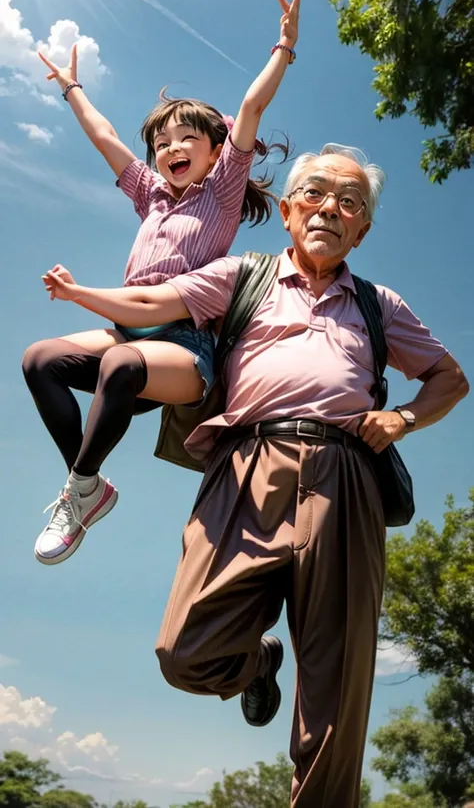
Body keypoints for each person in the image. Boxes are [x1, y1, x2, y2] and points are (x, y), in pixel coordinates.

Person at [40, 143, 469, 807]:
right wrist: (79, 294)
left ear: (364, 228)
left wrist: (405, 418)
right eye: (316, 193)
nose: (331, 207)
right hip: (244, 467)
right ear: (292, 208)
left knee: (336, 685)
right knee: (184, 650)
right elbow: (158, 298)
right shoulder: (244, 276)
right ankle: (258, 661)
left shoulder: (380, 305)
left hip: (346, 477)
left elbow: (450, 378)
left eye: (349, 201)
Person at [22, 0, 304, 566]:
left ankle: (75, 496)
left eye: (186, 139)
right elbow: (104, 138)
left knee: (124, 363)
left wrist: (283, 49)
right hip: (129, 332)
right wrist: (72, 88)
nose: (170, 147)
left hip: (183, 348)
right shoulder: (150, 194)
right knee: (39, 359)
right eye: (160, 142)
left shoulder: (221, 192)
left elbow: (250, 108)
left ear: (212, 150)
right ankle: (88, 487)